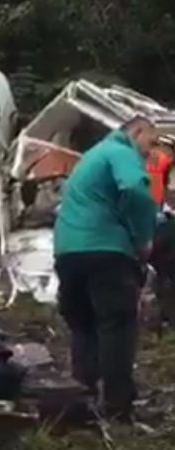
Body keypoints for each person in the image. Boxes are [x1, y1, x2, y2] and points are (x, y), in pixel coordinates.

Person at [53, 115, 158, 422]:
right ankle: (116, 407)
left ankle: (80, 401)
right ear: (135, 132)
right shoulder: (120, 151)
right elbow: (138, 190)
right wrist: (143, 238)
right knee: (116, 325)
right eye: (150, 143)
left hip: (68, 251)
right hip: (105, 250)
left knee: (83, 325)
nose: (150, 152)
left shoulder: (91, 157)